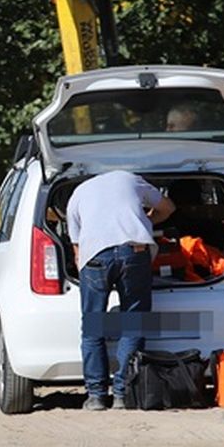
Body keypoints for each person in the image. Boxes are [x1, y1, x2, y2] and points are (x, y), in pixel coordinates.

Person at [65, 170, 175, 410]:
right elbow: (168, 208)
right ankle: (122, 395)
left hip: (94, 257)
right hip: (133, 252)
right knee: (133, 322)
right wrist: (145, 221)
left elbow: (76, 249)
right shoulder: (130, 179)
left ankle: (95, 396)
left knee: (94, 325)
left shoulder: (77, 194)